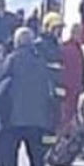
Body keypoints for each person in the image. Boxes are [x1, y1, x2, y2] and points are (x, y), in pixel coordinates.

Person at [0, 26, 55, 166]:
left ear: (16, 42)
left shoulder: (11, 60)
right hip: (38, 120)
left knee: (9, 157)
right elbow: (50, 91)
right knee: (36, 158)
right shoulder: (41, 61)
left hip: (14, 118)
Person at [34, 12, 67, 150]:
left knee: (54, 122)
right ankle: (42, 147)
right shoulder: (40, 45)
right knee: (45, 123)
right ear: (48, 28)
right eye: (56, 28)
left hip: (56, 92)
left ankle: (49, 147)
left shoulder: (56, 45)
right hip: (45, 92)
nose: (59, 32)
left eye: (60, 29)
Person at [60, 23, 84, 130]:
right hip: (69, 89)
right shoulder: (72, 49)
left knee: (68, 116)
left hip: (70, 89)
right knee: (66, 117)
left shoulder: (66, 48)